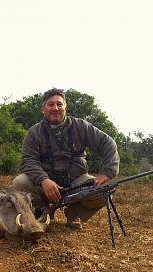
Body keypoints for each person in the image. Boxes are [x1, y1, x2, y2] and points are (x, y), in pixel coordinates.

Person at [12, 88, 120, 229]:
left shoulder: (81, 126)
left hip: (76, 180)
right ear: (43, 108)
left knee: (103, 192)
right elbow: (28, 160)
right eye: (50, 104)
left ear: (65, 107)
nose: (55, 108)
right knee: (19, 182)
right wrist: (43, 180)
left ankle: (73, 213)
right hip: (45, 182)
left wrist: (107, 173)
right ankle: (42, 211)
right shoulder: (34, 132)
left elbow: (108, 143)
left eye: (59, 104)